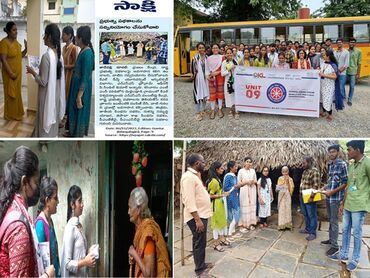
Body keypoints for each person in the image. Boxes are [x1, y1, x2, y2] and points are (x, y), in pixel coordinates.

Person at [0, 146, 55, 278]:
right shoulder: (19, 227)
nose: (38, 189)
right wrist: (47, 276)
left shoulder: (12, 209)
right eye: (36, 182)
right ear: (24, 182)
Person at [329, 140, 370, 271]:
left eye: (349, 149)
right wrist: (343, 202)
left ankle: (355, 259)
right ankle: (344, 254)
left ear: (357, 150)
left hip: (359, 205)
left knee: (357, 233)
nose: (347, 152)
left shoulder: (367, 163)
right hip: (348, 203)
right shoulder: (351, 165)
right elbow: (348, 186)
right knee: (345, 229)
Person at [26, 23, 65, 137]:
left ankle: (43, 139)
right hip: (56, 93)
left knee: (45, 116)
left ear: (49, 37)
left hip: (46, 94)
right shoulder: (59, 55)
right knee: (53, 115)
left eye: (45, 35)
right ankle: (53, 136)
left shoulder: (46, 57)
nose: (43, 37)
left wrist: (32, 71)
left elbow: (43, 82)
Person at [180, 153, 213, 277]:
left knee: (200, 241)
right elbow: (189, 200)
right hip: (196, 216)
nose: (204, 164)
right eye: (203, 162)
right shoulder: (188, 177)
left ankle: (201, 264)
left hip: (201, 215)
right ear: (197, 163)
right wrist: (197, 219)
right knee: (199, 242)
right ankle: (200, 270)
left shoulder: (195, 176)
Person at [128, 187, 171, 277]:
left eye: (130, 207)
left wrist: (134, 253)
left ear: (139, 209)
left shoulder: (148, 233)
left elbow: (149, 274)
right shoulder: (140, 228)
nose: (128, 212)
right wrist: (134, 257)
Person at [61, 185, 96, 277]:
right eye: (79, 201)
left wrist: (89, 252)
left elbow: (78, 254)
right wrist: (85, 262)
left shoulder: (79, 226)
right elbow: (67, 264)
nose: (82, 204)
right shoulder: (70, 228)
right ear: (72, 205)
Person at [65, 26, 94, 137]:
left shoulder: (87, 54)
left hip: (81, 90)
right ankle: (72, 133)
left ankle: (76, 135)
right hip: (76, 87)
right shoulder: (83, 50)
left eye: (76, 36)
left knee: (79, 111)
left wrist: (79, 96)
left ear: (80, 38)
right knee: (74, 111)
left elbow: (85, 77)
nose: (75, 38)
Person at [320, 144, 348, 257]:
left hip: (335, 198)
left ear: (337, 152)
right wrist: (323, 188)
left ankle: (335, 246)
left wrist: (332, 192)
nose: (331, 154)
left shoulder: (342, 164)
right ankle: (331, 240)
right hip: (328, 196)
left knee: (334, 221)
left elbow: (346, 182)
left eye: (333, 152)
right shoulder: (330, 165)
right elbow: (331, 182)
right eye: (330, 152)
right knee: (330, 219)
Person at [0, 22, 27, 120]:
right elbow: (3, 59)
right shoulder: (4, 42)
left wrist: (26, 49)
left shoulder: (16, 43)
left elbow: (20, 56)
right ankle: (9, 115)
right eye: (14, 30)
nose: (16, 32)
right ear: (8, 31)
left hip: (17, 74)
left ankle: (17, 113)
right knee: (10, 94)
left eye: (17, 30)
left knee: (17, 93)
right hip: (9, 74)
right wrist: (11, 73)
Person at [35, 177, 61, 277]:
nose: (58, 201)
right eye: (55, 198)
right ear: (47, 201)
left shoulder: (50, 221)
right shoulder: (40, 225)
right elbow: (41, 266)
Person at [206, 162, 230, 252]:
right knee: (216, 224)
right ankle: (216, 243)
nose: (223, 169)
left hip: (220, 204)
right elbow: (210, 195)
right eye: (221, 168)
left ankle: (222, 239)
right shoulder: (214, 181)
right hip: (216, 205)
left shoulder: (217, 179)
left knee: (222, 222)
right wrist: (222, 195)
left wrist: (223, 194)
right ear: (216, 169)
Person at [299, 156, 321, 241]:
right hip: (302, 195)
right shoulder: (305, 171)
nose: (302, 164)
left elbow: (316, 186)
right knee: (305, 213)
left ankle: (312, 233)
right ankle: (307, 229)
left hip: (309, 196)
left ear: (309, 163)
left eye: (304, 163)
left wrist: (312, 197)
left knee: (312, 214)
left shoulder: (314, 171)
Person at [223, 161, 242, 240]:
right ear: (231, 168)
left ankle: (232, 232)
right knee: (236, 214)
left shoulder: (234, 176)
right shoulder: (228, 176)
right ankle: (229, 234)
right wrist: (235, 186)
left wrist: (237, 186)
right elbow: (225, 188)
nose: (237, 168)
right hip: (231, 197)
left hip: (235, 195)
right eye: (235, 166)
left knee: (234, 214)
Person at [237, 157, 257, 231]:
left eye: (250, 162)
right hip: (244, 190)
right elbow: (238, 183)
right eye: (247, 161)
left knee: (251, 206)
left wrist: (252, 182)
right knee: (245, 206)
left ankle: (251, 224)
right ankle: (244, 224)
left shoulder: (253, 171)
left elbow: (255, 181)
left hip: (252, 189)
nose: (248, 163)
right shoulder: (241, 171)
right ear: (244, 162)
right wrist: (246, 182)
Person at [205, 44, 225, 120]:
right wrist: (207, 76)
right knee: (212, 95)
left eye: (217, 47)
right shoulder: (208, 58)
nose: (215, 49)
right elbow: (206, 69)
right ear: (212, 49)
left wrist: (218, 72)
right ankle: (212, 110)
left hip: (220, 77)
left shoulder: (222, 57)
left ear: (219, 49)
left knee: (220, 94)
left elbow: (224, 68)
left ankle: (220, 109)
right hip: (211, 78)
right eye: (213, 48)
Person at [191, 42, 209, 121]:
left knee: (205, 94)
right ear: (197, 49)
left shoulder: (207, 57)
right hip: (198, 79)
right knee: (197, 94)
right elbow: (192, 69)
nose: (201, 49)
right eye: (200, 48)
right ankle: (198, 112)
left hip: (206, 79)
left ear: (205, 49)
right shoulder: (194, 58)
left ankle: (203, 110)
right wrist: (194, 76)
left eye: (202, 47)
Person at [319, 49, 338, 122]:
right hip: (323, 84)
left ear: (328, 56)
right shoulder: (324, 63)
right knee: (323, 98)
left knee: (328, 99)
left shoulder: (333, 65)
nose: (323, 56)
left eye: (324, 55)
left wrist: (323, 75)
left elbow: (335, 77)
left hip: (329, 86)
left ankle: (330, 114)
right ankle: (324, 112)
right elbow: (321, 72)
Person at [62, 26, 79, 105]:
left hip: (70, 76)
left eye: (64, 34)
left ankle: (67, 114)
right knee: (62, 94)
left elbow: (76, 64)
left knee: (68, 95)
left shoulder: (74, 48)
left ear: (69, 36)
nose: (62, 36)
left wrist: (65, 66)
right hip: (63, 75)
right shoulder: (64, 48)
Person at [221, 48, 239, 120]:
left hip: (235, 81)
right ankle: (230, 111)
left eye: (230, 53)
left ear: (232, 53)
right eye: (227, 53)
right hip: (228, 81)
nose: (229, 54)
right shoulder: (224, 62)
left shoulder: (236, 61)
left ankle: (237, 111)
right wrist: (229, 69)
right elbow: (222, 73)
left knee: (236, 96)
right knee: (228, 96)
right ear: (225, 54)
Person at [276, 166, 294, 230]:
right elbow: (277, 189)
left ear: (288, 171)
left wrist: (287, 182)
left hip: (287, 195)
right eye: (283, 172)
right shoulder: (280, 178)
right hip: (281, 196)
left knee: (288, 209)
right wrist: (281, 185)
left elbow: (291, 190)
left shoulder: (291, 179)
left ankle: (288, 225)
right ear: (281, 172)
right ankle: (281, 225)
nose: (285, 173)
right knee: (282, 210)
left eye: (286, 171)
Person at [346, 38, 362, 106]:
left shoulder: (359, 51)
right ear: (348, 43)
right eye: (350, 42)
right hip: (345, 71)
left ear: (355, 43)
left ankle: (350, 99)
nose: (351, 43)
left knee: (352, 86)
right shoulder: (346, 51)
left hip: (353, 72)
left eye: (353, 42)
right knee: (341, 85)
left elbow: (359, 63)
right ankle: (343, 96)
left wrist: (358, 74)